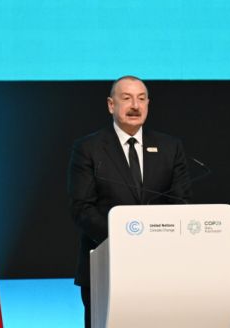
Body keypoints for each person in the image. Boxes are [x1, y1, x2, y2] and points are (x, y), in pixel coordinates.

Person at [67, 75, 193, 328]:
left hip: (159, 267)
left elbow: (180, 204)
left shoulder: (170, 147)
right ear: (111, 105)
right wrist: (125, 243)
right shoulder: (89, 148)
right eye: (126, 98)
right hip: (106, 264)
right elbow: (82, 208)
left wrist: (153, 242)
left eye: (141, 98)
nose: (135, 105)